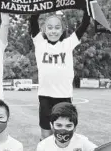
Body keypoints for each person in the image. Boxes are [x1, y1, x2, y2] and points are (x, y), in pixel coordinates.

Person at [29, 10, 90, 141]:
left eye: (57, 28)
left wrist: (86, 5)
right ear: (44, 30)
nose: (53, 31)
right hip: (45, 96)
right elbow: (33, 19)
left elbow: (85, 23)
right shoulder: (39, 43)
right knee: (46, 135)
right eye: (49, 28)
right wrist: (39, 5)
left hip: (64, 96)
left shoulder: (68, 44)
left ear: (62, 30)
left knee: (64, 134)